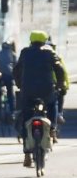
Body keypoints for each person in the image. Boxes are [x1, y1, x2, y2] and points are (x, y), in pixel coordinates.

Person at [13, 30, 66, 167]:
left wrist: (19, 85)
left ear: (31, 40)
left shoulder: (25, 52)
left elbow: (17, 70)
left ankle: (26, 154)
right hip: (46, 90)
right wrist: (60, 84)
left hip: (28, 91)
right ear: (44, 40)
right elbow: (59, 69)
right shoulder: (49, 52)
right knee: (52, 104)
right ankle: (52, 128)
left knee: (26, 117)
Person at [0, 40, 17, 118]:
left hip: (0, 75)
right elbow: (16, 65)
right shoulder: (13, 54)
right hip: (9, 75)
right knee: (10, 93)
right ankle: (12, 111)